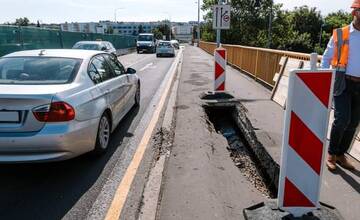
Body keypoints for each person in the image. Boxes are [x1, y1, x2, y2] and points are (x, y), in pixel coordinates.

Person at [321, 0, 360, 171]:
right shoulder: (341, 33)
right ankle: (331, 153)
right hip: (342, 82)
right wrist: (322, 80)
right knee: (342, 118)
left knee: (354, 122)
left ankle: (340, 154)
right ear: (355, 12)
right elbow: (327, 57)